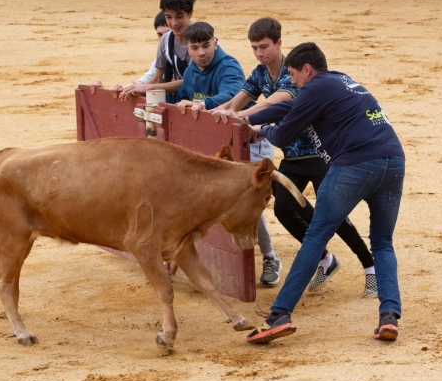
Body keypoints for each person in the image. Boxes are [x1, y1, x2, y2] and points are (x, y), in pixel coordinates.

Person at [244, 42, 405, 344]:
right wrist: (248, 117)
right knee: (383, 242)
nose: (292, 82)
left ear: (307, 69)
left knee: (316, 236)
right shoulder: (338, 82)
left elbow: (283, 134)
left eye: (294, 75)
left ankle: (279, 314)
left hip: (356, 164)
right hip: (394, 162)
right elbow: (288, 107)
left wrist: (261, 129)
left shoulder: (316, 87)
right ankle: (389, 316)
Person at [211, 18, 377, 295]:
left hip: (320, 153)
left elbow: (275, 104)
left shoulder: (296, 70)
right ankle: (325, 258)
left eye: (264, 47)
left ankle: (370, 266)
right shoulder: (260, 73)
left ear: (278, 43)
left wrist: (243, 117)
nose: (259, 53)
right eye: (254, 48)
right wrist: (218, 112)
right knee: (285, 208)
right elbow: (235, 101)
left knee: (334, 214)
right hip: (292, 155)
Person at [171, 22, 280, 280]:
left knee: (246, 199)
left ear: (215, 43)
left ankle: (269, 256)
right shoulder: (190, 71)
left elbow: (231, 93)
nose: (201, 53)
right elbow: (183, 100)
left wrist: (202, 104)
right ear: (188, 48)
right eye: (195, 48)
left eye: (206, 46)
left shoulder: (228, 65)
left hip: (250, 143)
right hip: (217, 146)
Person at [119, 0, 196, 102]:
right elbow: (158, 78)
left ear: (190, 14)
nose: (174, 23)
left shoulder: (201, 39)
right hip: (179, 98)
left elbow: (194, 81)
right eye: (169, 17)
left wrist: (147, 87)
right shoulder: (166, 39)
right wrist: (133, 89)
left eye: (179, 16)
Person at [90, 12, 170, 93]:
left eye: (168, 34)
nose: (163, 40)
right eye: (160, 35)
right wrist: (109, 93)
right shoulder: (161, 58)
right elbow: (142, 84)